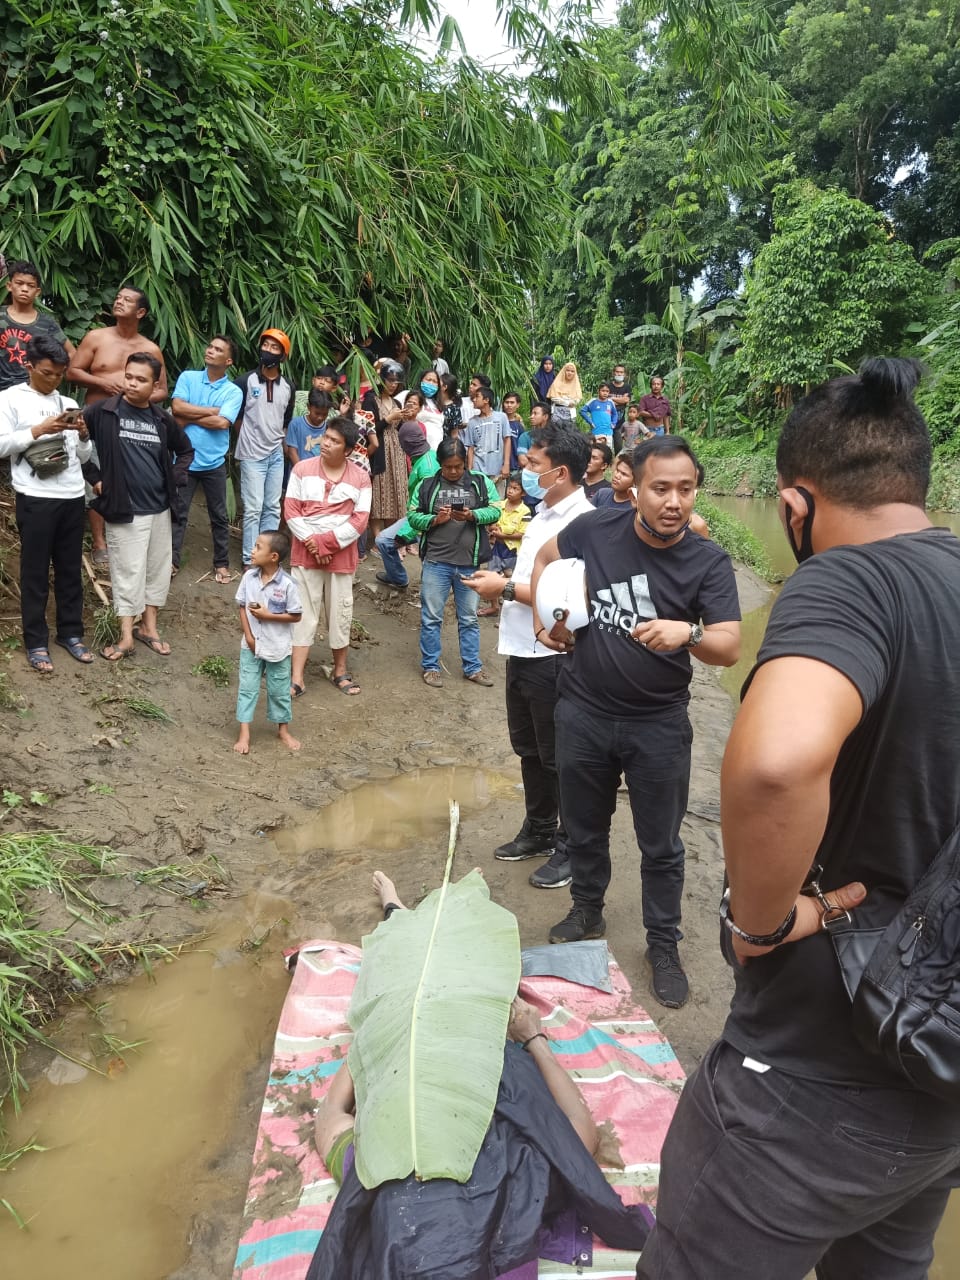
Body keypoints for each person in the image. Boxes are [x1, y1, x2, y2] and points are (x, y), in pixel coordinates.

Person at [638, 358, 960, 1280]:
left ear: (794, 506)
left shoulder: (848, 582)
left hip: (820, 1073)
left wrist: (761, 922)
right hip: (941, 1079)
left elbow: (778, 764)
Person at [309, 869, 652, 1280]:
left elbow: (329, 1115)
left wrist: (376, 1040)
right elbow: (580, 1135)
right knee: (460, 962)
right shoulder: (520, 1184)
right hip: (468, 1027)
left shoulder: (377, 1166)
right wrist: (534, 1037)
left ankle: (395, 907)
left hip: (419, 1033)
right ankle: (397, 908)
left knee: (421, 964)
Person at [530, 436, 740, 1007]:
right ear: (635, 488)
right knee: (584, 826)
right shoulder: (595, 529)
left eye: (686, 489)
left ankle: (663, 945)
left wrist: (688, 633)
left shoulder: (707, 561)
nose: (674, 501)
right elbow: (547, 559)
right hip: (583, 711)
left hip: (658, 724)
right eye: (661, 488)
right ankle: (587, 912)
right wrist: (551, 622)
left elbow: (729, 645)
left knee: (662, 846)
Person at [466, 426, 594, 882]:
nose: (525, 469)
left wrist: (504, 588)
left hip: (553, 653)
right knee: (529, 748)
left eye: (534, 464)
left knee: (558, 753)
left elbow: (567, 598)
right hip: (521, 645)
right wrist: (506, 584)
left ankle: (570, 845)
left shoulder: (582, 523)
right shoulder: (542, 515)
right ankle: (539, 827)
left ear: (560, 472)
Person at [82, 353, 194, 659]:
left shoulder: (161, 419)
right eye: (128, 376)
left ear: (155, 384)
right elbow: (77, 446)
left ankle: (150, 628)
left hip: (159, 508)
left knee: (157, 570)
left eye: (140, 379)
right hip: (124, 509)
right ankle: (126, 636)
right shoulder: (101, 412)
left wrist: (174, 476)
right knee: (128, 571)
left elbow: (184, 451)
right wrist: (95, 477)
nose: (132, 384)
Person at [0, 335, 92, 672]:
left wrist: (82, 434)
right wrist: (38, 430)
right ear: (29, 366)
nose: (54, 380)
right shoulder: (9, 400)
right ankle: (35, 641)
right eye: (47, 373)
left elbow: (81, 457)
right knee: (36, 572)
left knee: (70, 571)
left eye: (59, 374)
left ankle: (70, 633)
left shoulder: (66, 400)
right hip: (35, 497)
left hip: (71, 495)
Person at [67, 282, 168, 568]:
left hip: (134, 424)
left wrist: (134, 396)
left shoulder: (150, 349)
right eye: (118, 297)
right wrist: (103, 382)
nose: (119, 302)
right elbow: (73, 371)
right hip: (96, 419)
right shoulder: (96, 337)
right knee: (97, 477)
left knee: (127, 477)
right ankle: (100, 543)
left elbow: (162, 390)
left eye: (127, 300)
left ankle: (129, 536)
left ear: (141, 312)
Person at [284, 416, 371, 698]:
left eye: (334, 441)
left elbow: (360, 520)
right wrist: (313, 544)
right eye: (326, 437)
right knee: (302, 614)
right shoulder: (301, 469)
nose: (326, 444)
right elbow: (291, 511)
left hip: (340, 557)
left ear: (348, 450)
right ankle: (296, 677)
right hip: (305, 553)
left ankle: (340, 671)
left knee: (340, 613)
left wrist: (326, 544)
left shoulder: (360, 476)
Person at [409, 438, 499, 688]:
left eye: (458, 466)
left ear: (465, 463)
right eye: (448, 467)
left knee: (469, 617)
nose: (453, 471)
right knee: (431, 617)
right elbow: (412, 514)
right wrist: (434, 520)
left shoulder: (480, 482)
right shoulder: (427, 485)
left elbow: (495, 510)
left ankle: (472, 667)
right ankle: (431, 666)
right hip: (436, 561)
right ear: (440, 464)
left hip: (468, 563)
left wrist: (473, 515)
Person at [170, 335, 243, 584]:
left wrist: (190, 414)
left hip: (214, 462)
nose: (210, 350)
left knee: (220, 516)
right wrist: (211, 411)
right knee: (178, 513)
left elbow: (223, 423)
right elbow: (176, 408)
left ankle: (221, 564)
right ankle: (171, 561)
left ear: (228, 360)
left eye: (218, 349)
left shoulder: (233, 391)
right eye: (210, 346)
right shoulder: (188, 377)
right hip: (184, 459)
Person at [234, 530, 302, 754]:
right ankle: (244, 732)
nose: (252, 551)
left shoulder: (288, 585)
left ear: (273, 556)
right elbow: (242, 606)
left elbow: (296, 615)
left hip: (278, 649)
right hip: (251, 646)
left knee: (279, 690)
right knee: (247, 688)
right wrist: (249, 637)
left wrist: (267, 616)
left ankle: (283, 730)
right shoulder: (248, 578)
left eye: (258, 547)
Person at [234, 329, 296, 568]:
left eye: (275, 348)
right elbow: (236, 417)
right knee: (252, 508)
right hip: (251, 454)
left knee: (271, 506)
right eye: (266, 345)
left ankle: (267, 556)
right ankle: (250, 559)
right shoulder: (244, 381)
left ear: (283, 355)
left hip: (276, 454)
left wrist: (278, 444)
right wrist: (249, 439)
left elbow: (285, 421)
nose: (268, 351)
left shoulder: (288, 386)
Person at [0, 261, 75, 393]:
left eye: (30, 285)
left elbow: (72, 353)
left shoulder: (47, 323)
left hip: (33, 391)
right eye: (19, 283)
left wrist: (53, 375)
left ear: (37, 291)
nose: (24, 289)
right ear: (9, 286)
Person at [374, 442, 439, 591]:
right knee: (384, 540)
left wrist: (404, 535)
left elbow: (423, 513)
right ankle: (398, 578)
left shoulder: (427, 470)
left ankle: (430, 591)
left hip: (430, 524)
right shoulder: (420, 459)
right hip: (417, 518)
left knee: (430, 562)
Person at [361, 359, 405, 540]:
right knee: (379, 494)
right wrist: (388, 419)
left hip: (397, 451)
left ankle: (391, 537)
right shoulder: (370, 400)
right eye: (390, 380)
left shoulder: (397, 402)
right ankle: (378, 538)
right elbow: (368, 429)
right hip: (379, 451)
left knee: (396, 493)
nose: (393, 385)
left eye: (396, 382)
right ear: (381, 379)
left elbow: (399, 428)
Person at [463, 385, 511, 493]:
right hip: (478, 470)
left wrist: (506, 464)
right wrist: (470, 470)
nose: (474, 399)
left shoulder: (501, 417)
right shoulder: (472, 422)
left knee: (497, 502)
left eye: (477, 396)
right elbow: (470, 448)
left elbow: (507, 440)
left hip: (497, 470)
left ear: (486, 400)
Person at [285, 389, 334, 467]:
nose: (320, 417)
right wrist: (301, 471)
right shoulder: (296, 424)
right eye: (317, 413)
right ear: (308, 407)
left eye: (324, 414)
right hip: (300, 471)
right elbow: (292, 452)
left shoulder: (328, 427)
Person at [411, 370, 444, 449]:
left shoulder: (438, 404)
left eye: (435, 381)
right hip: (418, 448)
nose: (431, 383)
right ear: (421, 380)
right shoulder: (412, 397)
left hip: (436, 450)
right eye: (428, 380)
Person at [502, 391, 523, 469]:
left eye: (512, 402)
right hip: (497, 466)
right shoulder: (498, 422)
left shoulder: (519, 426)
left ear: (517, 405)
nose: (509, 405)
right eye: (507, 402)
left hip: (514, 466)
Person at [437, 371, 462, 440]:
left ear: (445, 387)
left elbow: (454, 433)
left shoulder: (454, 408)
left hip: (443, 446)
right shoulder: (432, 402)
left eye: (438, 382)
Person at [609, 364, 633, 432]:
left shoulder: (627, 387)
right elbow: (604, 400)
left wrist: (611, 398)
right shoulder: (607, 386)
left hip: (620, 424)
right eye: (617, 372)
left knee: (618, 442)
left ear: (624, 374)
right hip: (606, 422)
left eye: (621, 372)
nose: (619, 374)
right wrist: (621, 400)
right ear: (613, 373)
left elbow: (626, 400)